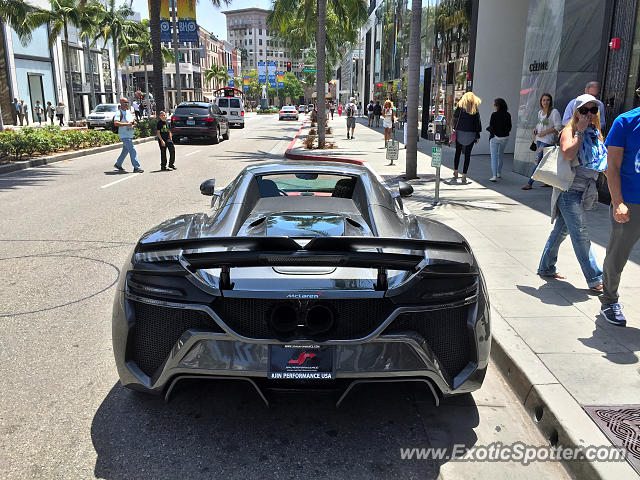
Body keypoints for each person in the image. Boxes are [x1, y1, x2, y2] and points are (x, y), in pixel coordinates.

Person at [537, 94, 607, 290]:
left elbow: (602, 160)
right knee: (581, 233)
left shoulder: (595, 132)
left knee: (561, 230)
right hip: (569, 190)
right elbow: (568, 153)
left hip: (584, 190)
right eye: (584, 110)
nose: (589, 114)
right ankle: (596, 278)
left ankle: (545, 267)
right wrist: (580, 133)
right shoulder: (570, 131)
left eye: (593, 110)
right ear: (576, 112)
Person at [599, 90, 640, 327]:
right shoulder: (625, 122)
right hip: (630, 203)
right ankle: (609, 300)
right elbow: (611, 166)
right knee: (617, 256)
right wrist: (618, 202)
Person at [522, 93, 562, 189]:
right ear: (541, 101)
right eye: (543, 100)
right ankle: (548, 181)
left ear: (550, 101)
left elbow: (558, 126)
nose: (545, 102)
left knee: (538, 161)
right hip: (539, 139)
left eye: (547, 100)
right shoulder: (540, 112)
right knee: (545, 161)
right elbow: (539, 124)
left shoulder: (554, 112)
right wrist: (535, 129)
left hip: (547, 140)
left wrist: (545, 132)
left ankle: (530, 183)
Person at [451, 92, 482, 184]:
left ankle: (456, 171)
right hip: (471, 133)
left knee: (457, 152)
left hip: (460, 132)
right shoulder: (475, 109)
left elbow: (455, 118)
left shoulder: (460, 108)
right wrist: (477, 136)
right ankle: (464, 175)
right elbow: (478, 123)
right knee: (467, 155)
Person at [113, 97, 143, 173]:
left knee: (125, 150)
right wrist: (127, 124)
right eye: (125, 103)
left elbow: (132, 121)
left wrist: (134, 123)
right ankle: (136, 167)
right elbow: (116, 123)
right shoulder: (118, 113)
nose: (126, 104)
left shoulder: (128, 112)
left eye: (127, 103)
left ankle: (118, 164)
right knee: (132, 150)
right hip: (124, 135)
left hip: (129, 134)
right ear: (121, 103)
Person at [487, 97, 511, 181]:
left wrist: (494, 134)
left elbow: (491, 126)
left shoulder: (494, 114)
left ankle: (494, 176)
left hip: (495, 138)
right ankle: (499, 173)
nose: (494, 106)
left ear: (497, 106)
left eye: (494, 105)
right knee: (501, 155)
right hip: (505, 138)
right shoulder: (508, 115)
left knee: (494, 157)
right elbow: (509, 127)